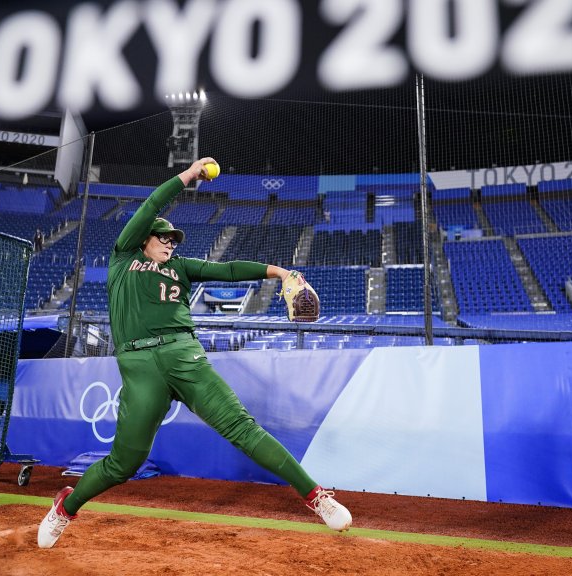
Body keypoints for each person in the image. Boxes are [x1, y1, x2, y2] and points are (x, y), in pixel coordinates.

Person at [38, 157, 351, 549]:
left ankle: (316, 496)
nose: (170, 242)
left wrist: (280, 273)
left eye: (173, 239)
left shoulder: (182, 268)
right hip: (138, 366)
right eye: (163, 237)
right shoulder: (123, 257)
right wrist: (189, 176)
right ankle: (65, 508)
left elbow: (231, 271)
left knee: (242, 428)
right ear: (144, 239)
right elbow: (153, 204)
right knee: (124, 463)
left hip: (184, 354)